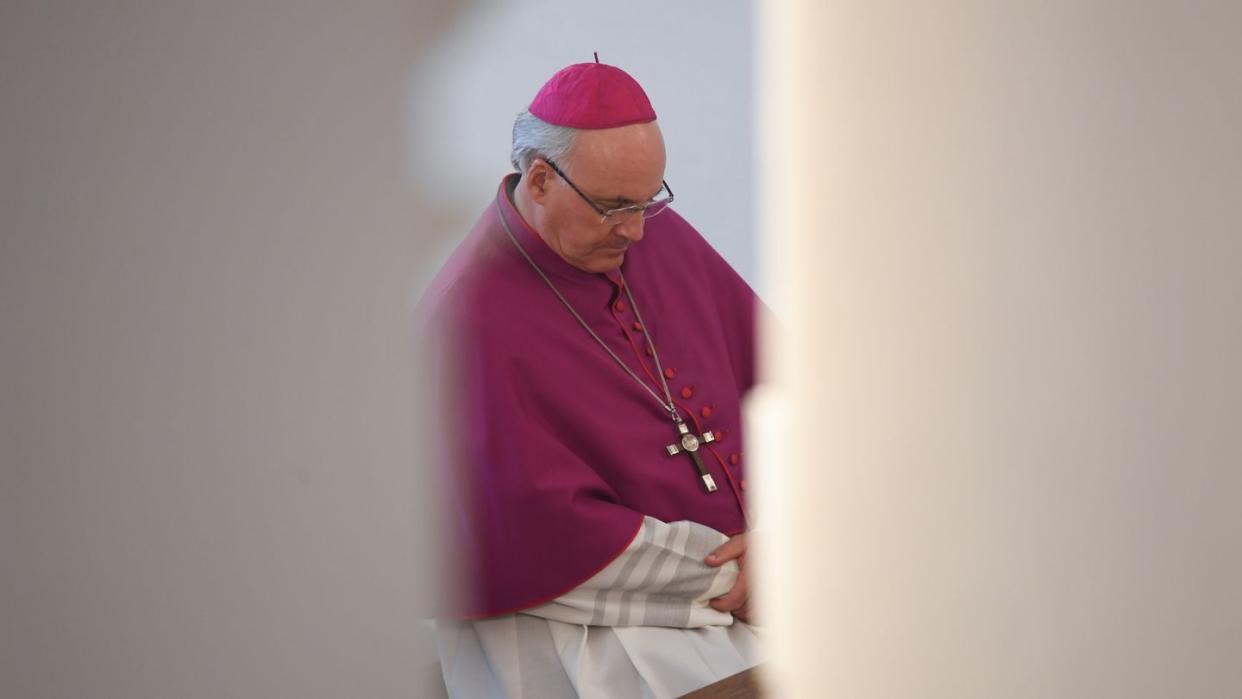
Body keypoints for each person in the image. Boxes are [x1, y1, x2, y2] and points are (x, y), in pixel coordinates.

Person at [419, 57, 763, 698]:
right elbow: (537, 532)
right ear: (542, 180)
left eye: (649, 199)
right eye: (613, 208)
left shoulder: (657, 234)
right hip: (588, 627)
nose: (636, 229)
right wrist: (737, 580)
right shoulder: (461, 321)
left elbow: (787, 387)